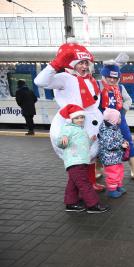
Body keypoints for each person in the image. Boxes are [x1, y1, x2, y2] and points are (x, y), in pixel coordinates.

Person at [34, 41, 104, 191]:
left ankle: (91, 183)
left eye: (86, 63)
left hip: (92, 123)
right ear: (72, 64)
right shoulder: (64, 78)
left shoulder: (90, 79)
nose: (85, 66)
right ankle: (78, 189)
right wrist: (55, 64)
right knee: (77, 159)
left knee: (91, 157)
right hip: (76, 122)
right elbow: (39, 81)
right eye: (81, 63)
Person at [57, 104, 109, 213]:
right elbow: (61, 141)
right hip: (75, 161)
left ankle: (71, 203)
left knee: (73, 183)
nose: (80, 120)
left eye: (82, 117)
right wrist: (63, 140)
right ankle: (93, 205)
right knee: (85, 184)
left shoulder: (80, 129)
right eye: (77, 118)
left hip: (79, 161)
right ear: (71, 119)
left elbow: (83, 145)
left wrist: (91, 140)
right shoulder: (67, 128)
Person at [98, 54, 134, 180]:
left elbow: (128, 100)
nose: (112, 80)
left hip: (119, 121)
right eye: (109, 77)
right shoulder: (97, 85)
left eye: (115, 78)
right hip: (102, 122)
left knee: (128, 141)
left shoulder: (121, 88)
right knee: (100, 143)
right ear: (104, 76)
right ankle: (97, 168)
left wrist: (122, 112)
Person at [98, 108, 129, 199]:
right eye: (119, 117)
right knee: (113, 174)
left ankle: (118, 186)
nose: (120, 119)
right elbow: (109, 145)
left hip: (116, 156)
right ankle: (112, 190)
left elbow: (119, 138)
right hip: (110, 158)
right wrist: (121, 145)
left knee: (119, 172)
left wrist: (124, 141)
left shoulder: (114, 128)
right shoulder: (107, 131)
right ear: (113, 119)